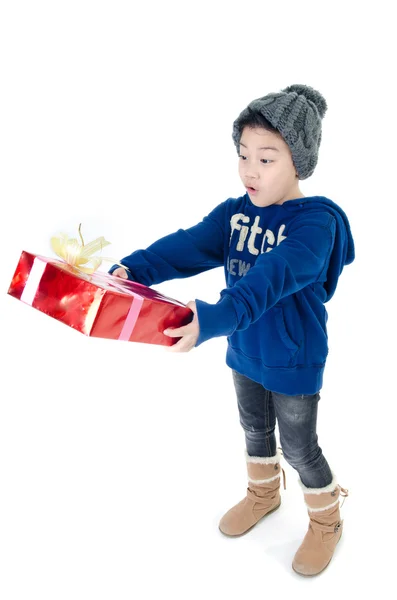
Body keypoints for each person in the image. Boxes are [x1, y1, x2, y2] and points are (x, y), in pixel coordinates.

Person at [109, 84, 355, 577]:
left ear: (298, 162)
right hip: (245, 348)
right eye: (243, 155)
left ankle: (327, 519)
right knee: (254, 429)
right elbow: (186, 246)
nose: (249, 170)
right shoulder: (235, 213)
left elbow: (271, 277)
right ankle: (263, 493)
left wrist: (214, 318)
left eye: (266, 159)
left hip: (293, 358)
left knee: (300, 446)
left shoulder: (316, 225)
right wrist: (131, 270)